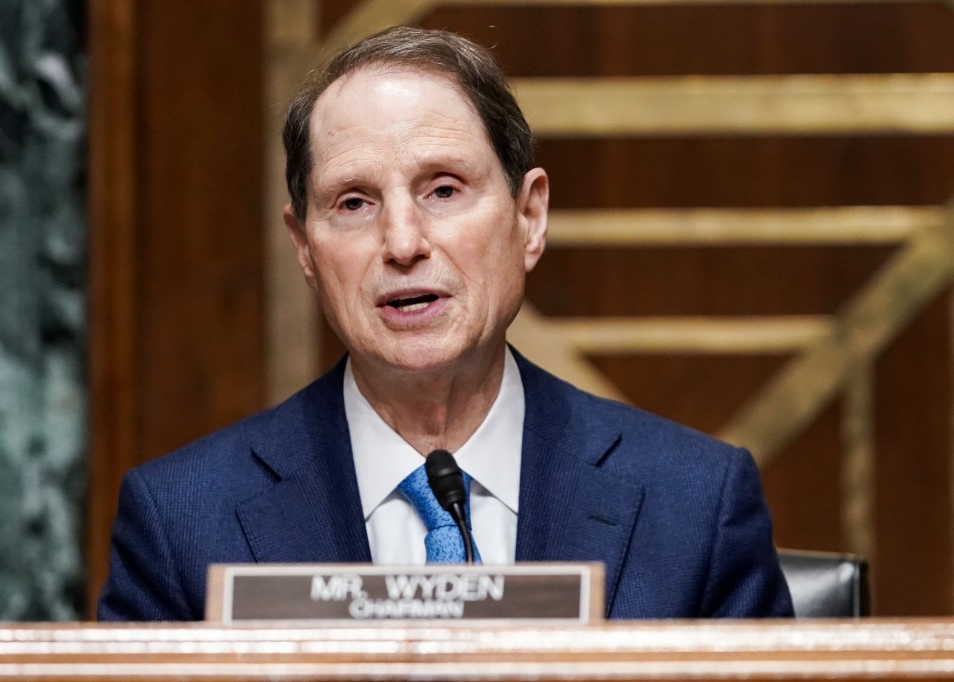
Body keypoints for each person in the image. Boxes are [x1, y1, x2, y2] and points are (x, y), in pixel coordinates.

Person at [98, 26, 793, 621]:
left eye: (443, 189)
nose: (403, 243)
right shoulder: (181, 521)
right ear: (305, 247)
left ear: (530, 217)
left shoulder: (694, 502)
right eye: (353, 203)